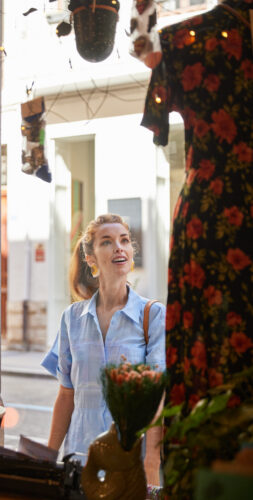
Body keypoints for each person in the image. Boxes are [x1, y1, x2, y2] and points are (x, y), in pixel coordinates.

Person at [142, 0, 253, 412]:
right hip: (215, 213)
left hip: (211, 210)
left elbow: (158, 123)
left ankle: (204, 465)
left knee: (209, 347)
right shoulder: (180, 40)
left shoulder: (181, 43)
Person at [41, 213, 166, 485]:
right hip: (79, 459)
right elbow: (66, 395)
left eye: (124, 240)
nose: (119, 247)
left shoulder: (153, 316)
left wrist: (152, 461)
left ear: (131, 252)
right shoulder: (71, 318)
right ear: (91, 258)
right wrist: (47, 458)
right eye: (107, 242)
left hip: (130, 463)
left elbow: (157, 398)